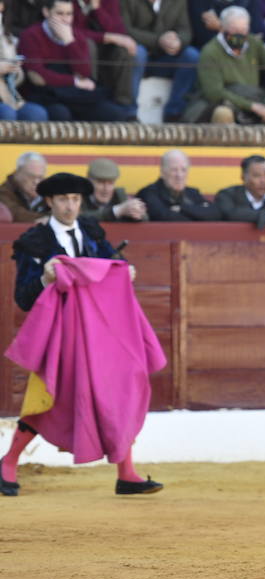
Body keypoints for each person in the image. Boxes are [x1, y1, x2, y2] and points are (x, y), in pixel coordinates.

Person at [1, 171, 164, 499]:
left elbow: (109, 264)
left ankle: (126, 473)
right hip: (59, 335)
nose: (70, 206)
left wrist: (124, 269)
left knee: (117, 389)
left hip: (98, 332)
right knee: (48, 397)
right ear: (49, 202)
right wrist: (46, 280)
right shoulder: (34, 242)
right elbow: (23, 297)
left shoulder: (91, 230)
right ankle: (8, 462)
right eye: (63, 200)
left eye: (75, 200)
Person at [18, 0, 131, 122]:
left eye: (69, 14)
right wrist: (75, 81)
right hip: (47, 96)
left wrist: (69, 42)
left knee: (115, 113)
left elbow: (84, 72)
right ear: (46, 12)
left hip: (76, 96)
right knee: (61, 114)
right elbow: (37, 77)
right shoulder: (31, 35)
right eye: (59, 14)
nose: (66, 20)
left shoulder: (76, 36)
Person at [115, 0, 198, 121]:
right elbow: (123, 29)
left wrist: (177, 40)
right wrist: (158, 40)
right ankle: (129, 114)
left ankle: (175, 113)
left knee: (192, 55)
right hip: (133, 56)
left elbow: (186, 30)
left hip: (164, 58)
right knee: (137, 52)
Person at [187, 6, 265, 124]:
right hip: (225, 103)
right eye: (234, 30)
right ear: (222, 28)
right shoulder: (210, 52)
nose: (239, 35)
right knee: (223, 113)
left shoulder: (254, 43)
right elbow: (214, 93)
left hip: (254, 98)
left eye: (243, 30)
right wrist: (252, 106)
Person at [214, 155, 265, 238]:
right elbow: (229, 213)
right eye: (257, 175)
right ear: (243, 177)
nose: (263, 181)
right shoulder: (227, 195)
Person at [135, 149, 219, 221]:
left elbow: (214, 214)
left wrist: (180, 208)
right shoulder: (148, 193)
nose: (179, 175)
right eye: (174, 170)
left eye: (183, 170)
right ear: (162, 172)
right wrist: (198, 213)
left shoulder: (192, 193)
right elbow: (165, 218)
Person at [81, 157, 146, 223]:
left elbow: (146, 220)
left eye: (110, 183)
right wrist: (117, 211)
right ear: (88, 182)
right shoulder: (79, 198)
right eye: (100, 182)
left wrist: (138, 212)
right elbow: (80, 218)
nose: (106, 188)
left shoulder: (119, 196)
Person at [0, 152, 48, 222]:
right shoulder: (3, 192)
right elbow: (15, 214)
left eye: (40, 177)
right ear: (17, 174)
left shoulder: (49, 192)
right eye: (31, 176)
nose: (36, 182)